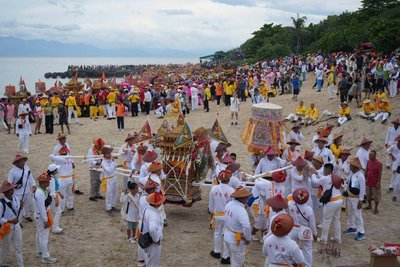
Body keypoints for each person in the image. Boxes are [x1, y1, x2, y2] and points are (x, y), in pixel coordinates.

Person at [311, 165, 343, 244]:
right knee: (336, 220)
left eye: (325, 170)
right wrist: (316, 173)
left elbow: (315, 181)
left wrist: (312, 174)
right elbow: (323, 178)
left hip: (331, 202)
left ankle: (323, 239)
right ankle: (337, 238)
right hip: (339, 199)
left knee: (326, 221)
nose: (324, 171)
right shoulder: (334, 176)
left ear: (328, 170)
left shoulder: (325, 178)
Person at [209, 170, 235, 264]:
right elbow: (233, 204)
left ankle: (217, 251)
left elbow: (211, 205)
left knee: (217, 233)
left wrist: (212, 212)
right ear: (228, 179)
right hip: (228, 216)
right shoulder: (231, 190)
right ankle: (225, 256)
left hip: (217, 215)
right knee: (227, 235)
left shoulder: (214, 189)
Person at [223, 187, 252, 267]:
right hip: (236, 239)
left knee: (233, 260)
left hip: (227, 234)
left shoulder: (229, 204)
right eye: (246, 197)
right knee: (238, 263)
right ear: (242, 198)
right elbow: (247, 226)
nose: (247, 199)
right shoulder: (241, 210)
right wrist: (248, 238)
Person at [288, 188, 316, 267]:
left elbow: (289, 196)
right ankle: (307, 265)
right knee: (307, 250)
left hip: (293, 229)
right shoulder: (309, 209)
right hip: (305, 230)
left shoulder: (290, 204)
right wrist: (314, 234)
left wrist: (295, 194)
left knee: (292, 248)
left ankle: (292, 264)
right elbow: (312, 224)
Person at [33, 173, 57, 264]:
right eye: (47, 181)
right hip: (42, 215)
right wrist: (46, 220)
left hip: (41, 214)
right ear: (43, 182)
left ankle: (40, 251)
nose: (49, 182)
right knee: (44, 236)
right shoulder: (39, 193)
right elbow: (42, 208)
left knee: (39, 233)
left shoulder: (43, 190)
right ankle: (45, 256)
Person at [0, 181, 24, 267]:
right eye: (10, 189)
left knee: (19, 247)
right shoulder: (1, 203)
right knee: (5, 247)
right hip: (7, 227)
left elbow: (17, 212)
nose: (12, 191)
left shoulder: (16, 198)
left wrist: (21, 207)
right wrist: (10, 221)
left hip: (16, 226)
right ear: (5, 192)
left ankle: (21, 265)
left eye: (12, 189)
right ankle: (2, 264)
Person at [343, 158, 366, 241]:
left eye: (352, 166)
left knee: (358, 215)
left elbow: (363, 189)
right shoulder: (351, 174)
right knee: (350, 213)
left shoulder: (360, 176)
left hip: (356, 199)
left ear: (356, 167)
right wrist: (346, 190)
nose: (350, 167)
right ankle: (352, 227)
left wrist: (360, 200)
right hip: (349, 197)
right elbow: (347, 183)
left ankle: (361, 232)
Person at [8, 154, 35, 222]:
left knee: (28, 204)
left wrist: (33, 185)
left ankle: (27, 215)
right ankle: (19, 220)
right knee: (19, 207)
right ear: (16, 163)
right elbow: (9, 183)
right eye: (21, 161)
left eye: (23, 161)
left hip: (27, 190)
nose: (23, 163)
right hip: (17, 193)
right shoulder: (12, 172)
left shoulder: (26, 168)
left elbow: (30, 177)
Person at [141, 192, 165, 267]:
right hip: (152, 242)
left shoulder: (146, 208)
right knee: (153, 263)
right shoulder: (153, 214)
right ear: (156, 204)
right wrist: (156, 239)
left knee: (149, 259)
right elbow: (152, 229)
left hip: (146, 238)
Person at [50, 146, 74, 212]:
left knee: (62, 195)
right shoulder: (70, 158)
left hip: (63, 180)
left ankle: (61, 209)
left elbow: (51, 156)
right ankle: (70, 206)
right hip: (70, 178)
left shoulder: (60, 159)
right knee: (70, 193)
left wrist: (56, 155)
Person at [101, 146, 122, 215]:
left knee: (116, 192)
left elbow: (115, 165)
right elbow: (109, 170)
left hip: (114, 177)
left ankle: (113, 206)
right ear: (105, 154)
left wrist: (120, 165)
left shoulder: (110, 159)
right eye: (109, 152)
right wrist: (113, 161)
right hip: (108, 179)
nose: (110, 153)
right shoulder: (103, 162)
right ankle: (108, 208)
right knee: (109, 194)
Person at [47, 163, 64, 234]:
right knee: (58, 211)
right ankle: (55, 227)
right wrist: (56, 200)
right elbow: (52, 191)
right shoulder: (52, 179)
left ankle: (53, 225)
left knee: (55, 211)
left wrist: (60, 194)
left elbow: (55, 188)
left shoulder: (51, 177)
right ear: (54, 171)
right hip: (52, 197)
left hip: (53, 196)